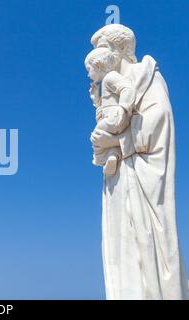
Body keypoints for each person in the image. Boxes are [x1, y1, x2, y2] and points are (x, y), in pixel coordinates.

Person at [89, 24, 188, 300]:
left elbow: (160, 122)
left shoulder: (146, 78)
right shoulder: (110, 86)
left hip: (142, 176)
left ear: (120, 50)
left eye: (102, 50)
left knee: (147, 252)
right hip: (119, 179)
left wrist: (118, 143)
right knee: (121, 253)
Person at [85, 47, 136, 176]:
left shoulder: (110, 77)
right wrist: (96, 99)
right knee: (99, 137)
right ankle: (113, 154)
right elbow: (106, 103)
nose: (88, 74)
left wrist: (123, 108)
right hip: (113, 118)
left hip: (115, 117)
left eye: (89, 69)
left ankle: (100, 158)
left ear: (99, 65)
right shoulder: (107, 81)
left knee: (95, 136)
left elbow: (127, 89)